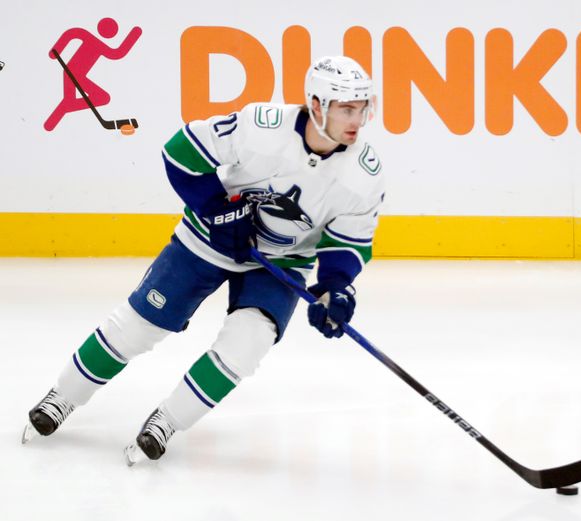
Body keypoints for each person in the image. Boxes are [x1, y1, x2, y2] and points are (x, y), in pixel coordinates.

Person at [22, 56, 384, 465]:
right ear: (317, 105)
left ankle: (168, 421)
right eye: (347, 109)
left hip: (283, 260)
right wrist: (217, 210)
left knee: (249, 342)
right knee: (138, 326)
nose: (359, 119)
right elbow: (180, 152)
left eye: (363, 108)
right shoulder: (261, 125)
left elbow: (348, 244)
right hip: (207, 239)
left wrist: (336, 288)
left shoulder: (365, 174)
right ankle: (63, 396)